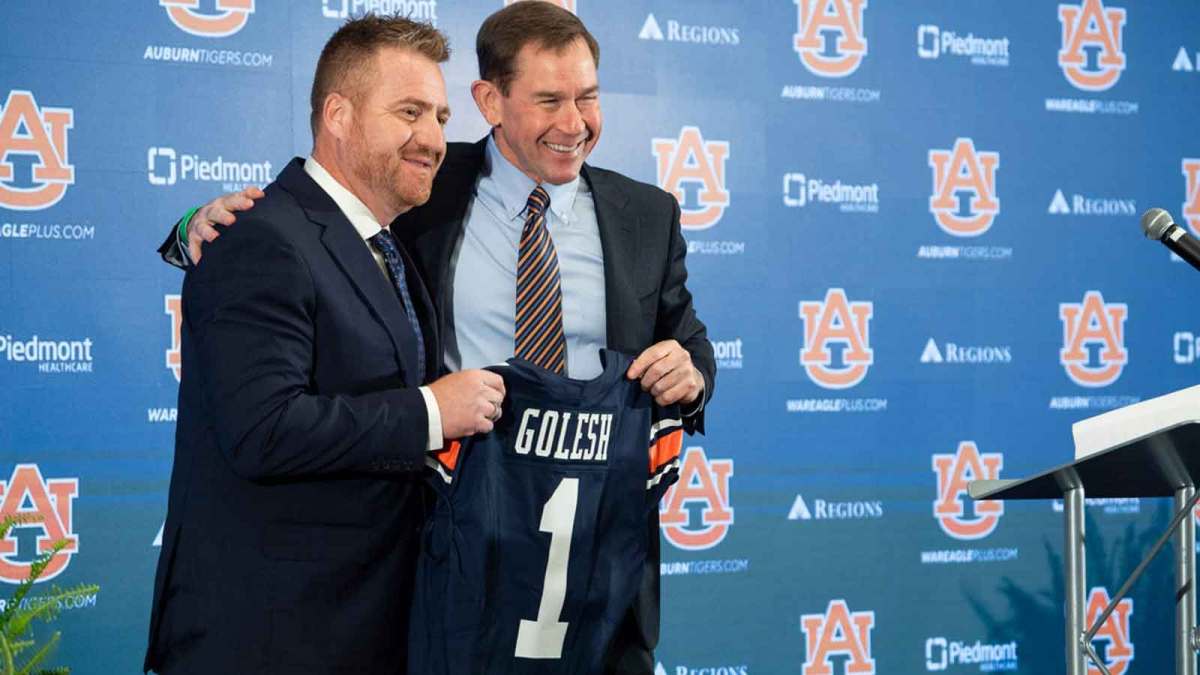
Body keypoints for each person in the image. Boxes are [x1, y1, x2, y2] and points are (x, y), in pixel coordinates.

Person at [158, 4, 715, 672]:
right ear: (490, 100)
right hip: (442, 573)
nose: (575, 124)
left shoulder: (646, 216)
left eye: (588, 98)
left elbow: (688, 342)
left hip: (592, 572)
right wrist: (198, 224)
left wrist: (693, 373)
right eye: (547, 100)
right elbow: (307, 228)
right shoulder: (424, 186)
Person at [144, 15, 507, 675]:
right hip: (271, 641)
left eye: (442, 115)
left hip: (369, 629)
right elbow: (265, 430)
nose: (433, 137)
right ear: (338, 114)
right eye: (410, 112)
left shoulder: (386, 240)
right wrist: (432, 412)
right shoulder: (261, 238)